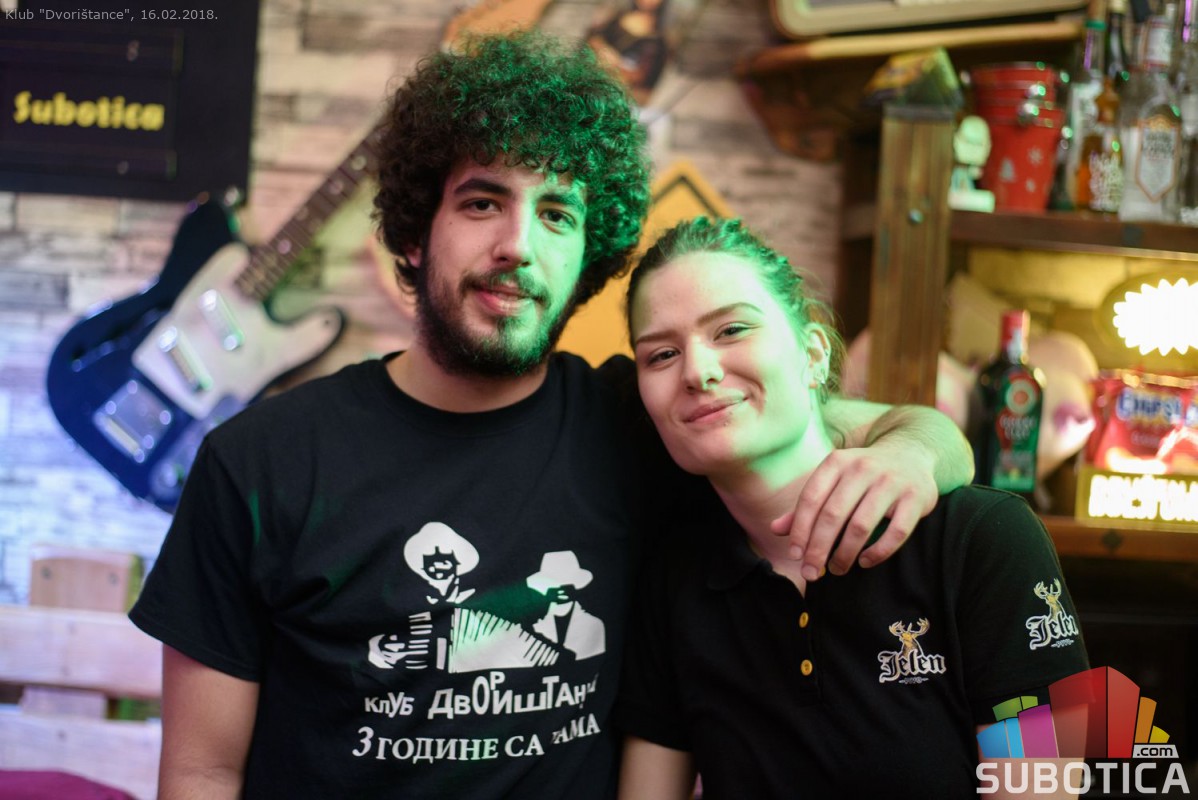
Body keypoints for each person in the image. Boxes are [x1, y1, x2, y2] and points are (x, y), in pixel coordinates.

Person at [128, 32, 973, 799]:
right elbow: (202, 772)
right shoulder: (258, 462)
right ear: (416, 234)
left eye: (558, 214)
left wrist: (914, 456)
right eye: (482, 202)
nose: (519, 246)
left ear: (587, 258)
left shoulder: (641, 420)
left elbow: (872, 425)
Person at [615, 216, 1090, 799]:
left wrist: (916, 447)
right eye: (661, 355)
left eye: (732, 329)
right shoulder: (675, 579)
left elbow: (1043, 787)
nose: (698, 371)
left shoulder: (983, 540)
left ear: (814, 353)